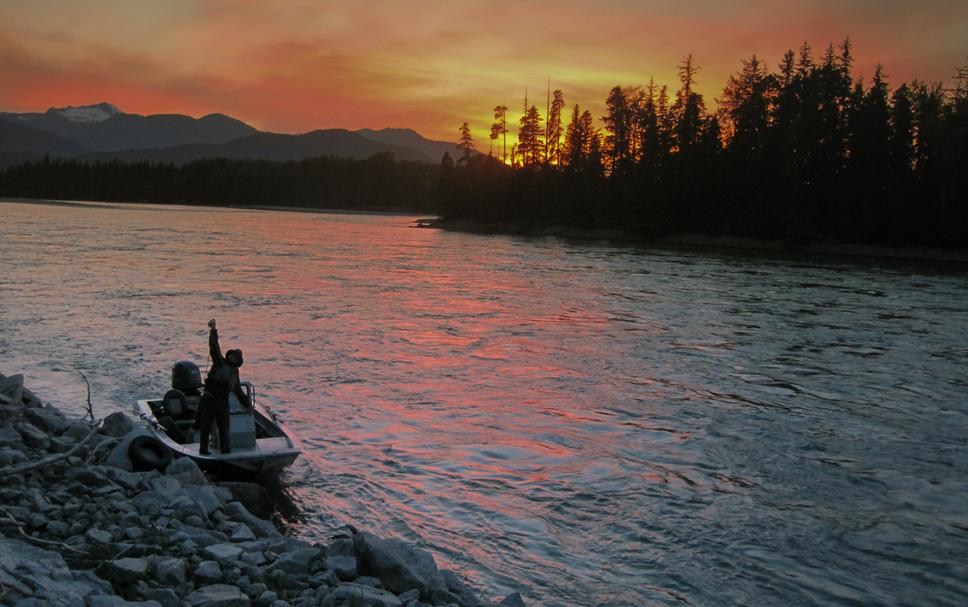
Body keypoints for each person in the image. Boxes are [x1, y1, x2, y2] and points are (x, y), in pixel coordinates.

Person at [195, 318, 250, 455]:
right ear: (229, 355)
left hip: (222, 402)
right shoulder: (219, 362)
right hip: (209, 399)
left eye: (236, 358)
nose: (233, 358)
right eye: (232, 356)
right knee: (206, 426)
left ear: (238, 361)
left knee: (224, 428)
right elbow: (214, 347)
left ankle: (226, 451)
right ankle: (203, 450)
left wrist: (247, 405)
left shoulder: (234, 373)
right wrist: (213, 330)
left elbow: (238, 391)